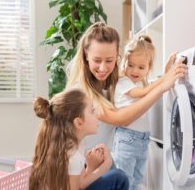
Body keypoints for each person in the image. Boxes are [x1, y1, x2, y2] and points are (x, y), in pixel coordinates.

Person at [29, 88, 129, 190]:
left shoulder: (71, 144)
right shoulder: (71, 154)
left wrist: (90, 167)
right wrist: (102, 167)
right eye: (91, 110)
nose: (96, 112)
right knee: (119, 179)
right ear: (79, 122)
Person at [67, 22, 187, 151]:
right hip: (85, 166)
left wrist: (165, 75)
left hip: (106, 162)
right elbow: (120, 118)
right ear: (86, 56)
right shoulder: (80, 92)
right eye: (97, 60)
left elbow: (140, 86)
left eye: (109, 60)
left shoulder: (115, 81)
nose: (103, 68)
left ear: (117, 57)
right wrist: (163, 84)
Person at [112, 34, 163, 190]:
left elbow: (147, 89)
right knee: (126, 179)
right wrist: (164, 80)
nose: (135, 70)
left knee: (137, 178)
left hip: (141, 140)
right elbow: (142, 95)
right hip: (126, 137)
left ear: (149, 68)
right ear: (124, 60)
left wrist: (162, 77)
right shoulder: (124, 82)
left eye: (141, 67)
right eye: (130, 64)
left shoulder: (142, 82)